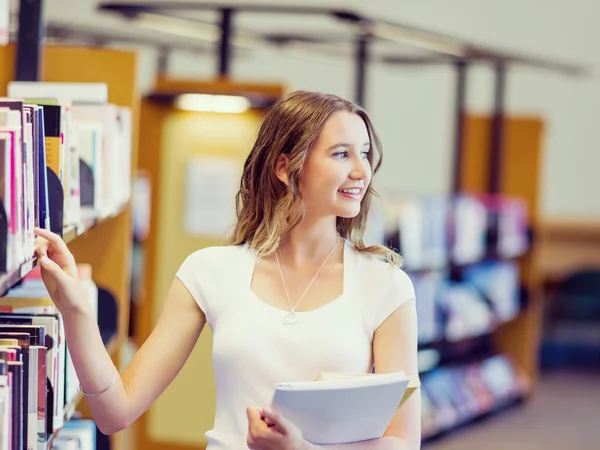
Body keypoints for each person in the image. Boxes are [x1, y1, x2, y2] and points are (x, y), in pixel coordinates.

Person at [33, 90, 421, 450]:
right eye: (341, 154)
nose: (361, 171)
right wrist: (75, 309)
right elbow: (114, 413)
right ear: (286, 168)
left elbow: (405, 443)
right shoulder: (210, 271)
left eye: (365, 153)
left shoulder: (385, 285)